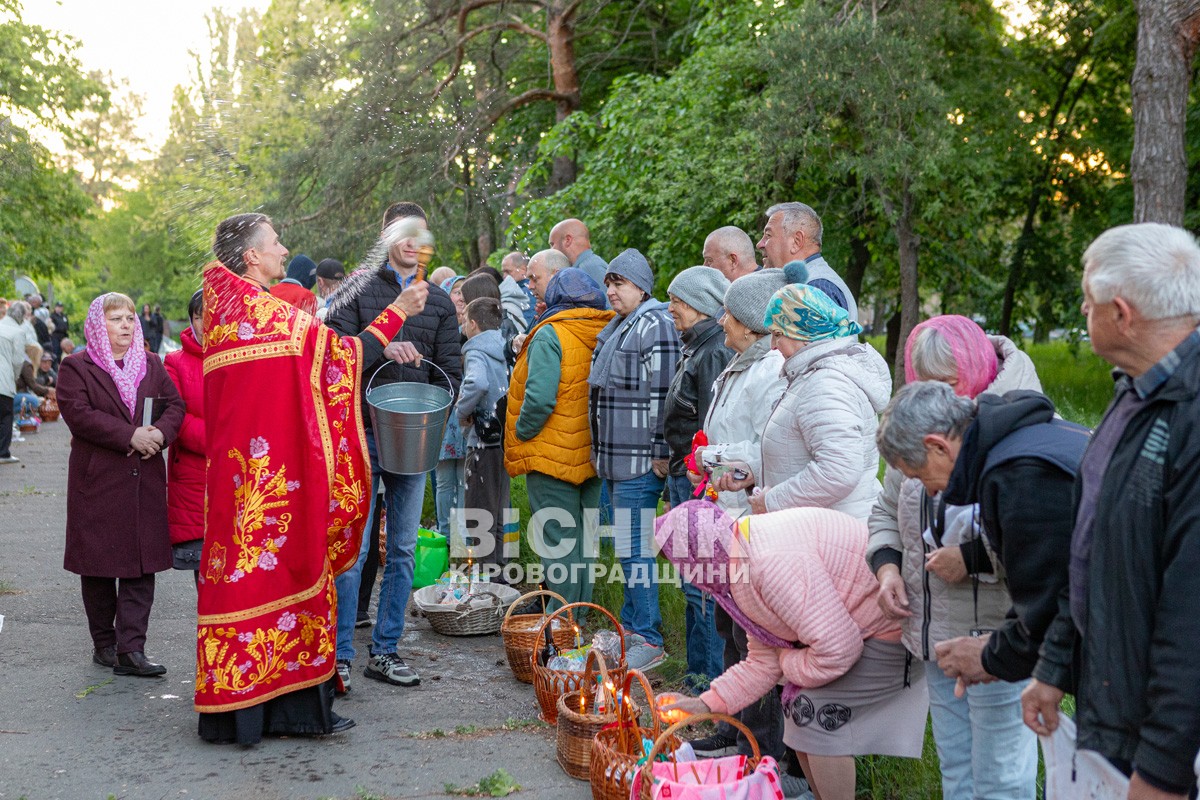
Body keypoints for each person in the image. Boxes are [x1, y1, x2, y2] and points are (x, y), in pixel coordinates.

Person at [196, 212, 429, 744]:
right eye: (275, 243)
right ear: (251, 256)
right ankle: (281, 710)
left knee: (261, 580)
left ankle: (270, 709)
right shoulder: (256, 310)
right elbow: (338, 359)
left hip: (249, 481)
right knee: (287, 573)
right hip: (271, 483)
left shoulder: (233, 307)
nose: (284, 250)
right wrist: (396, 313)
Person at [1024, 223, 1200, 799]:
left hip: (1172, 742)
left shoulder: (1189, 414)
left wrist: (1163, 769)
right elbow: (1091, 545)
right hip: (1125, 704)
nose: (1082, 308)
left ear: (1120, 312)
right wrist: (1053, 668)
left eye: (1088, 300)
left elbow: (1190, 611)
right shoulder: (1136, 391)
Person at [866, 314, 1045, 800]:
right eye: (924, 383)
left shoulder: (1015, 437)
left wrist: (971, 558)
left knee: (1003, 773)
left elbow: (1041, 544)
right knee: (958, 766)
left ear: (977, 369)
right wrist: (886, 568)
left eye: (947, 382)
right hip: (936, 634)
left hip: (998, 634)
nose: (940, 395)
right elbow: (885, 509)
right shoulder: (918, 427)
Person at [658, 502, 928, 800]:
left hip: (891, 624)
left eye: (682, 564)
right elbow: (761, 662)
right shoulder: (740, 560)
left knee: (812, 713)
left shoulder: (767, 564)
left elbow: (839, 649)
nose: (686, 575)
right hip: (861, 626)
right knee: (798, 713)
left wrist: (786, 662)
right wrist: (704, 704)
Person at [326, 201, 461, 692]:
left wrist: (434, 416)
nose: (410, 241)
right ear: (385, 237)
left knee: (402, 549)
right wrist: (379, 345)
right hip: (359, 434)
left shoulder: (442, 304)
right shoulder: (355, 291)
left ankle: (384, 651)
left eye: (418, 233)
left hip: (413, 439)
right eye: (400, 232)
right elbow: (332, 359)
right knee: (353, 550)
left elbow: (454, 374)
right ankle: (338, 657)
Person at [684, 266, 789, 763]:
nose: (720, 319)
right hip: (725, 509)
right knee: (731, 627)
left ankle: (763, 745)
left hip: (751, 516)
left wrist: (709, 457)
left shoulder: (769, 370)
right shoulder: (739, 361)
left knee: (756, 639)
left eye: (728, 312)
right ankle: (734, 729)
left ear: (749, 323)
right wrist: (706, 458)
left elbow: (763, 447)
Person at [56, 292, 185, 677]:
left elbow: (175, 406)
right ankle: (105, 644)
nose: (126, 325)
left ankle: (132, 649)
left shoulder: (151, 363)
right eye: (116, 319)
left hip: (143, 478)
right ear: (99, 325)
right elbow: (79, 414)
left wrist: (159, 435)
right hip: (98, 481)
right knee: (97, 567)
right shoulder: (76, 367)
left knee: (142, 567)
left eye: (130, 318)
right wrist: (129, 435)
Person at [710, 262, 888, 519]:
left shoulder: (827, 384)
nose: (772, 345)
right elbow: (799, 454)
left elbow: (838, 471)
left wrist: (772, 500)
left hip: (833, 532)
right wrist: (754, 469)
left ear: (802, 333)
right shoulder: (811, 376)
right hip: (816, 526)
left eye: (777, 334)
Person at [589, 249, 681, 669]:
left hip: (641, 460)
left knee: (636, 550)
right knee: (627, 550)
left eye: (619, 283)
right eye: (608, 283)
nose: (611, 290)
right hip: (615, 459)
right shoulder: (621, 325)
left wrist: (662, 450)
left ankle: (649, 637)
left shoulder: (656, 324)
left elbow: (664, 394)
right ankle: (631, 628)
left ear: (641, 286)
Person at [504, 268, 612, 607]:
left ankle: (560, 622)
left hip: (552, 456)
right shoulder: (606, 329)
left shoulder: (551, 334)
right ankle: (577, 619)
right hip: (592, 452)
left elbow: (540, 398)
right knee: (583, 542)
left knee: (557, 542)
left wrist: (522, 432)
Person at [662, 266, 734, 686]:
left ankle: (708, 678)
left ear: (701, 306)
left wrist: (696, 474)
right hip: (683, 475)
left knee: (702, 585)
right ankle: (696, 671)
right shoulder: (694, 346)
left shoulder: (712, 352)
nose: (670, 308)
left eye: (678, 301)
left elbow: (712, 426)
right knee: (691, 581)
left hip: (699, 481)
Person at [456, 298, 511, 575]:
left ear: (473, 324)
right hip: (504, 439)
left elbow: (477, 382)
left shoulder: (475, 350)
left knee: (478, 511)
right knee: (500, 510)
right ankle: (501, 574)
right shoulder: (504, 346)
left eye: (464, 319)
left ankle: (486, 577)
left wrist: (461, 410)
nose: (462, 324)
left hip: (481, 442)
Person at [163, 290, 206, 581]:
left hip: (238, 481)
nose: (205, 323)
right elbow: (176, 416)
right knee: (204, 579)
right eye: (198, 316)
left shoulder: (242, 359)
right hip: (194, 483)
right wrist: (224, 439)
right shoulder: (175, 362)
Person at [757, 202, 856, 320]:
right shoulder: (812, 285)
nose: (760, 244)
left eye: (768, 235)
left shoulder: (815, 289)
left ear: (796, 241)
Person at [550, 218, 610, 302]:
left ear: (567, 240)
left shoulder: (590, 268)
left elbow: (612, 311)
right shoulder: (582, 268)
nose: (551, 250)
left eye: (552, 244)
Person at [0, 300, 25, 464]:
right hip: (3, 378)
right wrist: (14, 377)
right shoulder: (17, 332)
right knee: (6, 416)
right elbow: (17, 361)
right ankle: (3, 453)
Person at [501, 251, 537, 328]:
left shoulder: (522, 292)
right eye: (503, 272)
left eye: (508, 271)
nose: (504, 276)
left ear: (523, 270)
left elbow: (528, 325)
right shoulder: (533, 289)